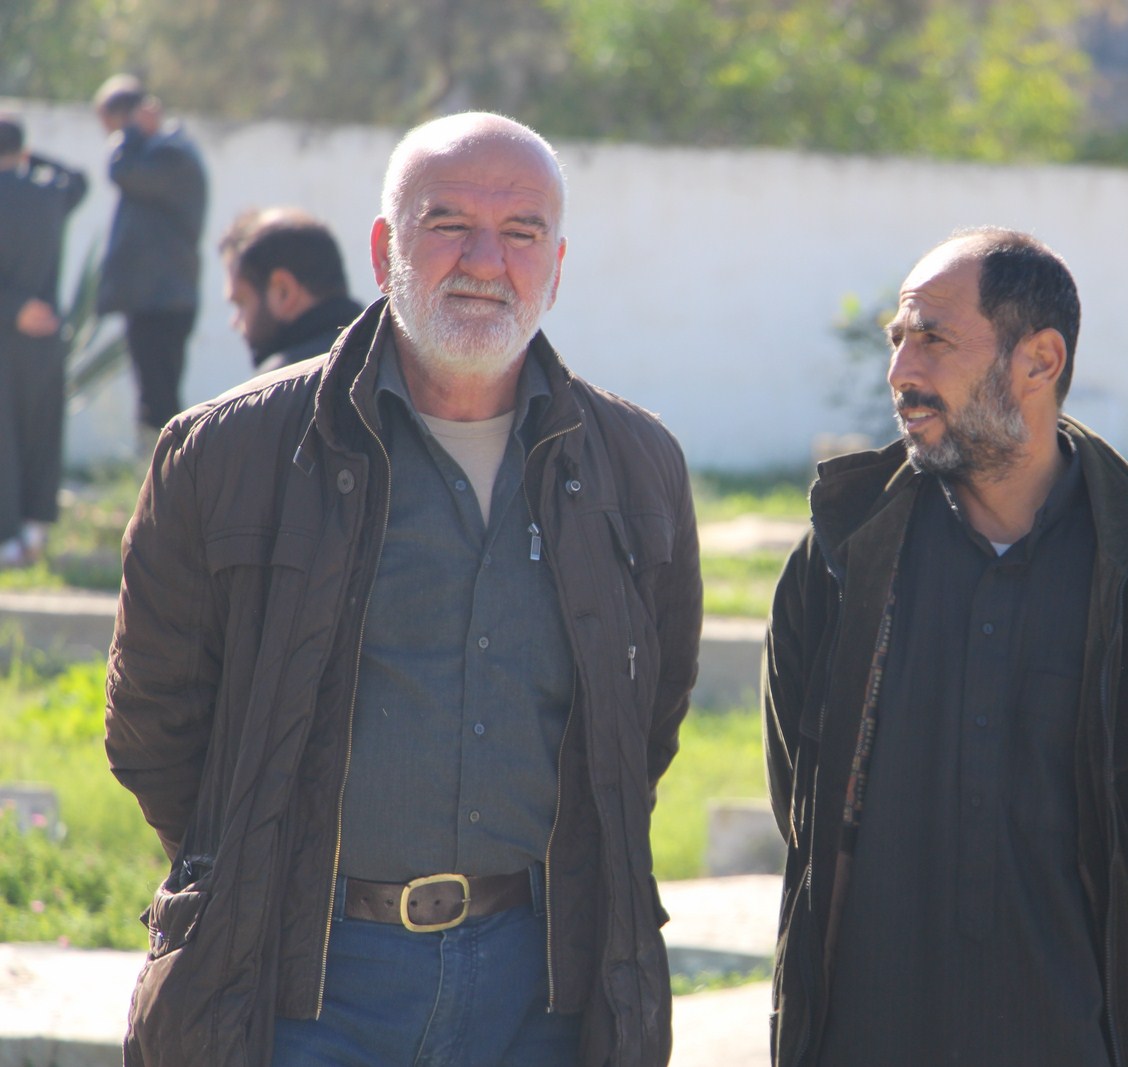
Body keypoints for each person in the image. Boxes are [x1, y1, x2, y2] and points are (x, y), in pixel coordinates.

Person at [106, 112, 702, 1067]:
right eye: (448, 223)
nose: (485, 261)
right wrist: (254, 864)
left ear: (556, 265)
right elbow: (153, 722)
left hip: (544, 988)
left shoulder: (637, 464)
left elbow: (647, 718)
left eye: (521, 233)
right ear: (385, 249)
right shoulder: (227, 452)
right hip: (302, 987)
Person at [763, 228, 1128, 1067]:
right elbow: (801, 792)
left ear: (1040, 361)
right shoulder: (841, 553)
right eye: (897, 339)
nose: (901, 370)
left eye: (933, 338)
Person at [92, 74, 207, 447]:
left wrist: (133, 133)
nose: (113, 138)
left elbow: (122, 171)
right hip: (154, 299)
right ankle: (155, 472)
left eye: (114, 126)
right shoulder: (159, 154)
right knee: (153, 399)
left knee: (160, 404)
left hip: (164, 301)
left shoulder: (170, 156)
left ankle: (168, 473)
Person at [0, 114, 88, 568]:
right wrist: (34, 160)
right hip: (45, 337)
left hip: (5, 334)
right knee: (40, 432)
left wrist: (12, 309)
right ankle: (34, 531)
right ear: (22, 151)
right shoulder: (50, 194)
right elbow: (80, 180)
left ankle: (6, 540)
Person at [218, 207, 365, 373]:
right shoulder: (383, 355)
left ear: (283, 291)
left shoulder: (282, 382)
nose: (234, 322)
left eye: (241, 302)